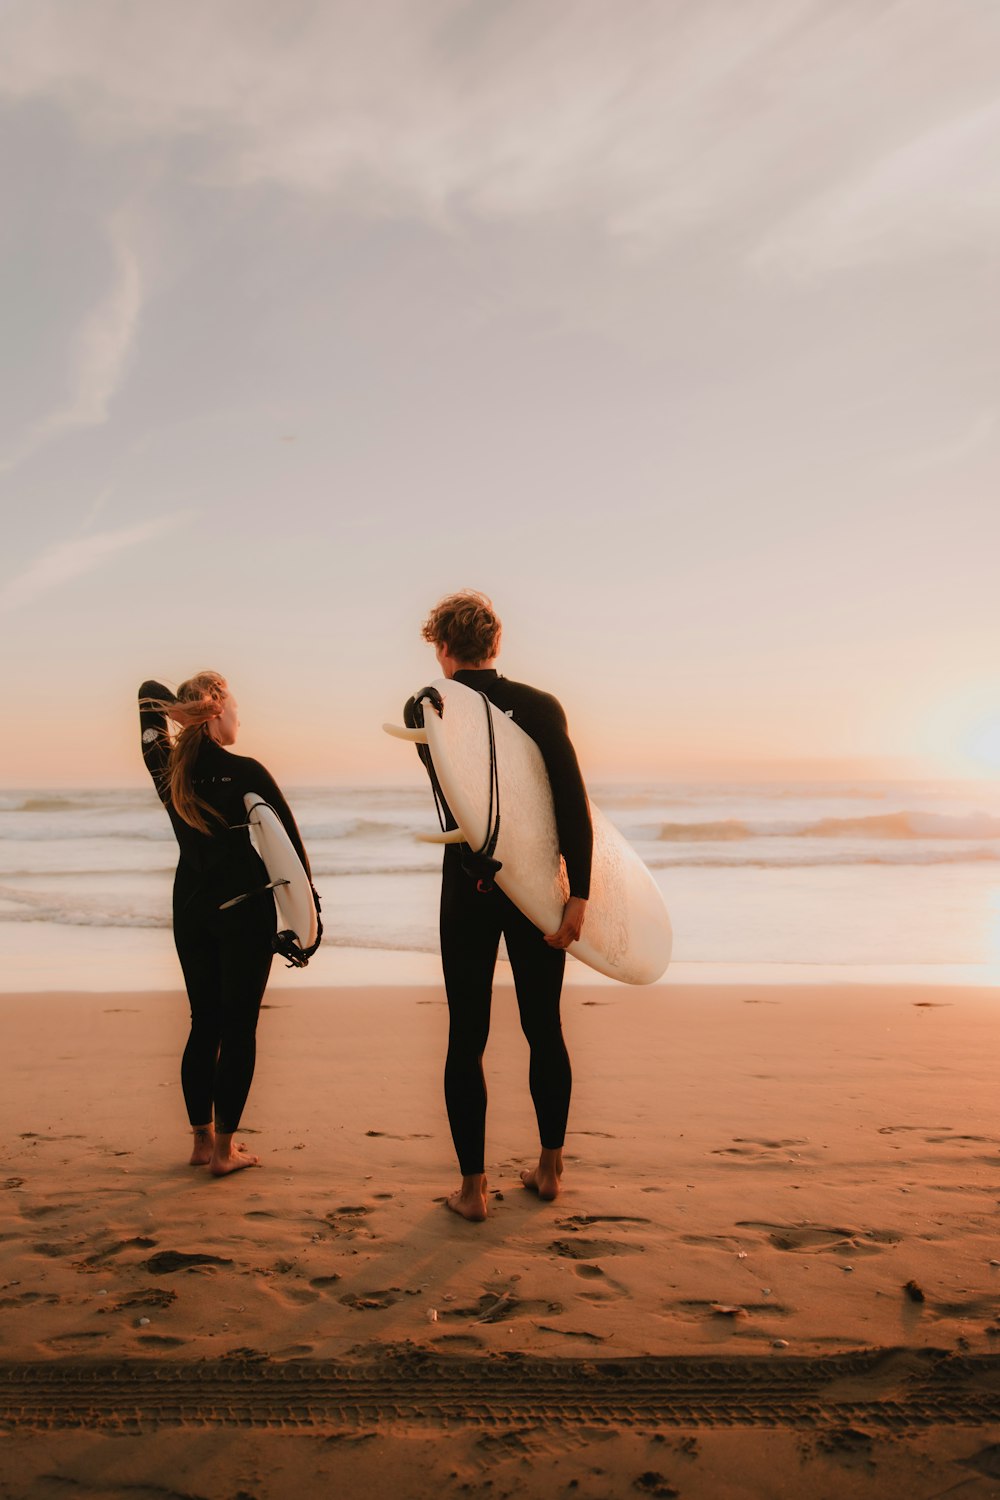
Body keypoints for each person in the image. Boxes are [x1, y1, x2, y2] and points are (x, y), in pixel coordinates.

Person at [406, 592, 593, 1222]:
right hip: (537, 886)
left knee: (467, 1036)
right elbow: (573, 806)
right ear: (497, 642)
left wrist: (444, 691)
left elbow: (449, 778)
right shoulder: (541, 709)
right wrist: (581, 894)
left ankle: (473, 1189)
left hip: (469, 889)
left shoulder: (429, 708)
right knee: (545, 1028)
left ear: (442, 646)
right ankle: (548, 1169)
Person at [138, 672, 312, 1177]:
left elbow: (146, 691)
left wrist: (182, 711)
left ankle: (200, 1142)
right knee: (239, 1029)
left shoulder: (167, 771)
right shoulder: (247, 771)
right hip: (243, 907)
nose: (239, 716)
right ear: (216, 712)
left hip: (189, 906)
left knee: (203, 1022)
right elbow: (292, 851)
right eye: (233, 707)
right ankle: (224, 1152)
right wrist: (308, 918)